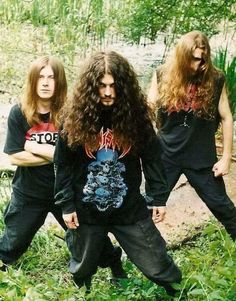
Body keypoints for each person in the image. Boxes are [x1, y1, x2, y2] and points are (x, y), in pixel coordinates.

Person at [54, 51, 182, 297]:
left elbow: (153, 158)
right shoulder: (73, 118)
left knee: (158, 265)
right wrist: (66, 204)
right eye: (102, 86)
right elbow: (63, 163)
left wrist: (158, 197)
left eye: (113, 86)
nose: (108, 92)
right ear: (92, 87)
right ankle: (85, 292)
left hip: (129, 209)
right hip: (87, 209)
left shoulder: (136, 116)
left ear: (123, 86)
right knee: (82, 268)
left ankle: (180, 292)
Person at [0, 56, 124, 278]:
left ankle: (114, 264)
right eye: (41, 77)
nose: (46, 83)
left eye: (51, 77)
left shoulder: (72, 113)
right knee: (13, 240)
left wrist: (36, 149)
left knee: (89, 238)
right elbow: (15, 157)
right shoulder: (20, 112)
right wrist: (59, 155)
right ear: (32, 81)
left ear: (59, 82)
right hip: (30, 192)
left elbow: (80, 156)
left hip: (67, 191)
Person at [148, 30, 236, 241]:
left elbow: (226, 118)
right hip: (166, 156)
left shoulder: (215, 79)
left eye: (202, 60)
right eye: (193, 59)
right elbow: (148, 112)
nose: (198, 65)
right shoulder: (162, 74)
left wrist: (225, 158)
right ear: (182, 56)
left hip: (201, 159)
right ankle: (145, 256)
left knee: (223, 207)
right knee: (149, 208)